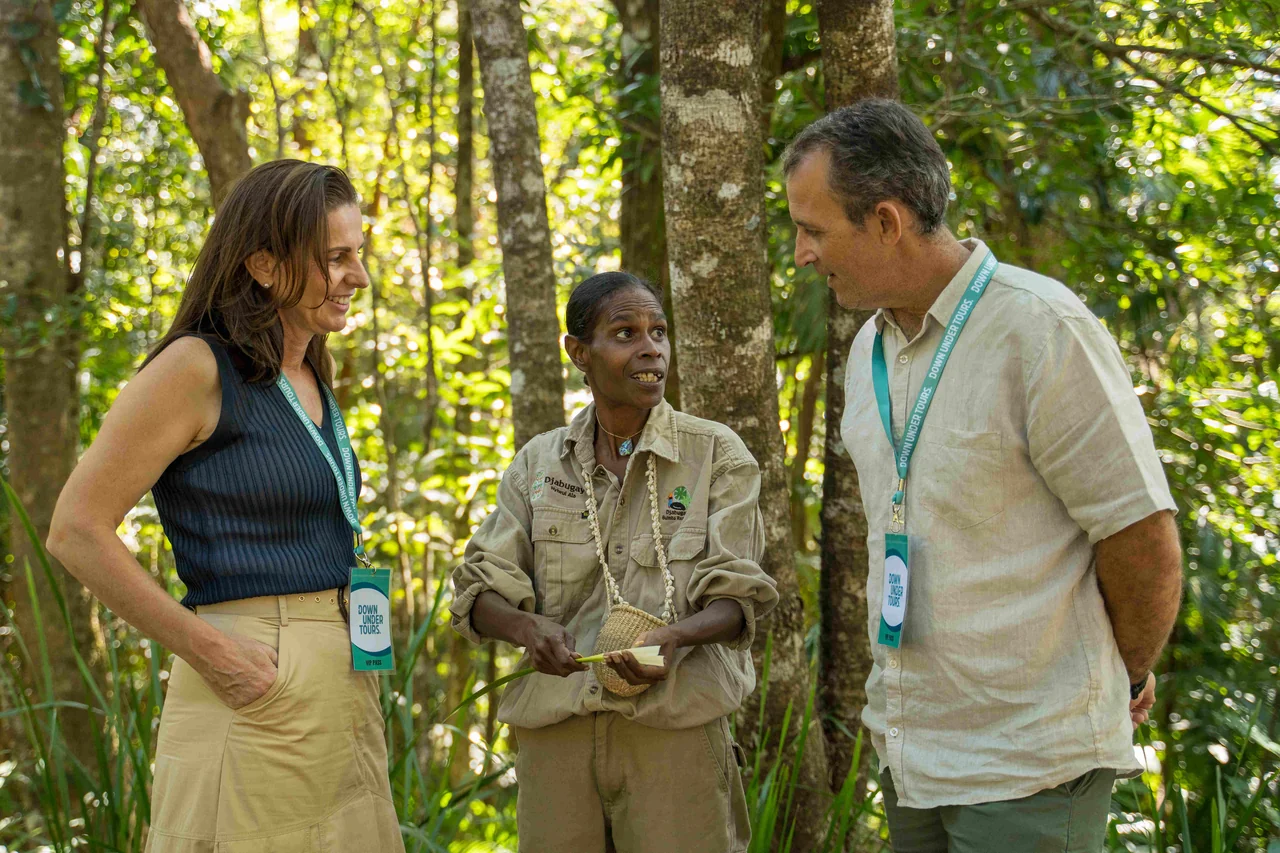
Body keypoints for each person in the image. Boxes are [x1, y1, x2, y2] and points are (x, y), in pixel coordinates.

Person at [782, 100, 1183, 851]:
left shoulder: (1040, 327)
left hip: (1029, 760)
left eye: (814, 230)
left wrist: (1121, 677)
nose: (802, 254)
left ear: (887, 221)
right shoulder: (869, 348)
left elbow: (1141, 534)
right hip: (912, 750)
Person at [47, 160, 404, 851]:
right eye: (336, 258)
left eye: (358, 254)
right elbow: (75, 530)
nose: (358, 276)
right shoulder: (195, 366)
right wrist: (210, 650)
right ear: (264, 265)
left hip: (345, 679)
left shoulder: (309, 368)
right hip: (255, 676)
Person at [450, 271, 778, 852]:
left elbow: (738, 597)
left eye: (658, 332)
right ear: (579, 352)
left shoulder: (715, 454)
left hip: (672, 733)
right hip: (558, 734)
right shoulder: (539, 464)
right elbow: (478, 591)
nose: (651, 348)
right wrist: (528, 629)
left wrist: (675, 638)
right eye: (626, 333)